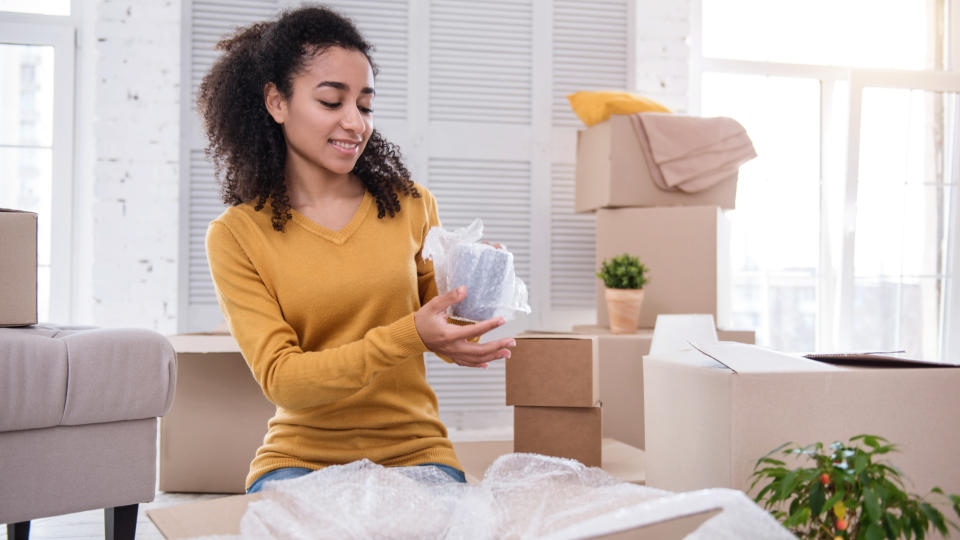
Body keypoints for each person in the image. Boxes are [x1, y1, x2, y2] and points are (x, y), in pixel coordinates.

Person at [198, 5, 516, 494]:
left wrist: (476, 294)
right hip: (299, 459)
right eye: (331, 102)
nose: (355, 123)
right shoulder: (238, 235)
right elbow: (282, 380)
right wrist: (409, 334)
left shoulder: (411, 205)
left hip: (415, 451)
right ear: (276, 102)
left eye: (364, 106)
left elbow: (444, 334)